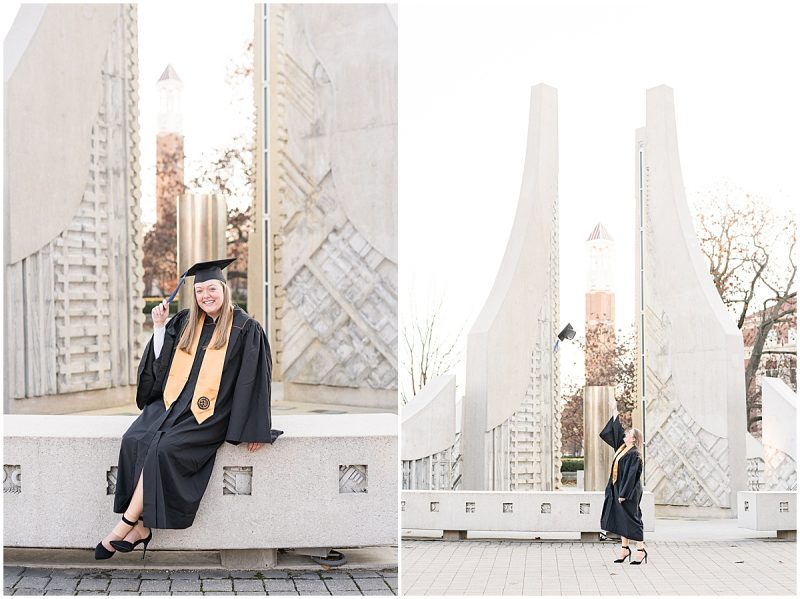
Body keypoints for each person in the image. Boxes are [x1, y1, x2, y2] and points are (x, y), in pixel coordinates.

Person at [95, 258, 283, 559]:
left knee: (163, 449)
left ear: (224, 289)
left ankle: (128, 523)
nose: (206, 295)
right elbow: (161, 363)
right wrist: (158, 327)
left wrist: (254, 426)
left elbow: (255, 382)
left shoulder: (246, 328)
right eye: (199, 291)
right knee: (134, 439)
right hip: (172, 405)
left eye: (212, 288)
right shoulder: (184, 321)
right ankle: (140, 526)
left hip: (209, 413)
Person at [599, 400, 647, 565]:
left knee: (632, 518)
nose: (624, 435)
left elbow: (631, 477)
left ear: (634, 439)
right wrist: (614, 410)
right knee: (621, 518)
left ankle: (640, 550)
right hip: (617, 488)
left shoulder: (634, 454)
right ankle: (625, 549)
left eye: (628, 434)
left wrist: (624, 494)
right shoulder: (622, 448)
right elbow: (615, 430)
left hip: (629, 490)